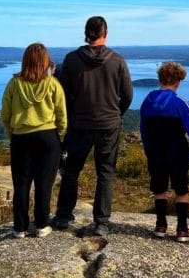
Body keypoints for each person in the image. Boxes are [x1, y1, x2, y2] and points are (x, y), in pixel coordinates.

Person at [52, 16, 133, 237]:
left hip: (79, 125)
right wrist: (116, 114)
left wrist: (69, 117)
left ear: (86, 33)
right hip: (108, 125)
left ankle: (63, 216)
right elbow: (127, 95)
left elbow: (62, 95)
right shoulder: (117, 61)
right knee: (105, 172)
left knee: (71, 171)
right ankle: (101, 223)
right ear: (105, 33)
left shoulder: (71, 60)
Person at [1, 43, 67, 239]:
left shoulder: (14, 84)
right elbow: (62, 115)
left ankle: (19, 228)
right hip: (48, 138)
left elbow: (5, 113)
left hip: (21, 138)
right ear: (45, 61)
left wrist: (12, 134)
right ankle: (41, 225)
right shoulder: (53, 84)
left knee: (21, 184)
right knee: (44, 183)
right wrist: (60, 136)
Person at [139, 62, 189, 242]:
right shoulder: (181, 103)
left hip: (155, 152)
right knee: (181, 190)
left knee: (159, 188)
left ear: (160, 79)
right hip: (177, 152)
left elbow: (143, 130)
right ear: (177, 81)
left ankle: (160, 225)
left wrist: (148, 151)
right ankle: (182, 229)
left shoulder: (147, 101)